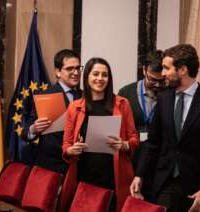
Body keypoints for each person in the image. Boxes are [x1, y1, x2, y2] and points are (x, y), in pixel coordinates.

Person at [130, 44, 200, 212]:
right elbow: (153, 142)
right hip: (165, 183)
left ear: (182, 70)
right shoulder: (164, 99)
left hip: (197, 190)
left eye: (166, 68)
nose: (162, 73)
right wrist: (139, 175)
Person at [60, 57, 139, 212]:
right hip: (83, 175)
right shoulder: (74, 107)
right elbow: (66, 145)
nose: (100, 79)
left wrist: (125, 144)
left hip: (113, 175)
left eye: (105, 75)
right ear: (87, 76)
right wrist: (71, 150)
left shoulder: (122, 104)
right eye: (95, 74)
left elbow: (134, 138)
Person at [22, 49, 83, 174]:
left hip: (79, 167)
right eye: (70, 68)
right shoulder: (45, 96)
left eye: (78, 68)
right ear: (58, 72)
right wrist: (34, 129)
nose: (76, 72)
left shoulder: (85, 97)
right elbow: (25, 133)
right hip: (51, 167)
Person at [118, 50, 164, 200]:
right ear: (144, 70)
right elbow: (119, 126)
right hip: (132, 157)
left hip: (158, 160)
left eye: (161, 80)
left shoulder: (169, 94)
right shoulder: (126, 92)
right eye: (152, 80)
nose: (157, 85)